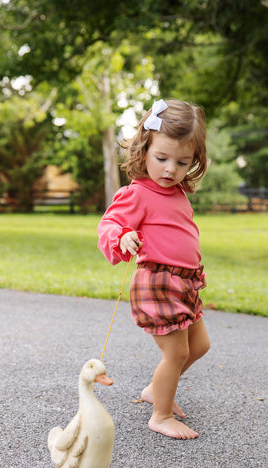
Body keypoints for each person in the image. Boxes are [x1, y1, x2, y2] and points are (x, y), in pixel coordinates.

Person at [97, 99, 210, 440]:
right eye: (162, 158)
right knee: (177, 351)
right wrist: (123, 237)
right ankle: (160, 415)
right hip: (158, 281)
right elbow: (109, 225)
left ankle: (155, 389)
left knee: (199, 345)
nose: (170, 169)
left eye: (182, 162)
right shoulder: (137, 193)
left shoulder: (177, 193)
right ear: (145, 149)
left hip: (186, 283)